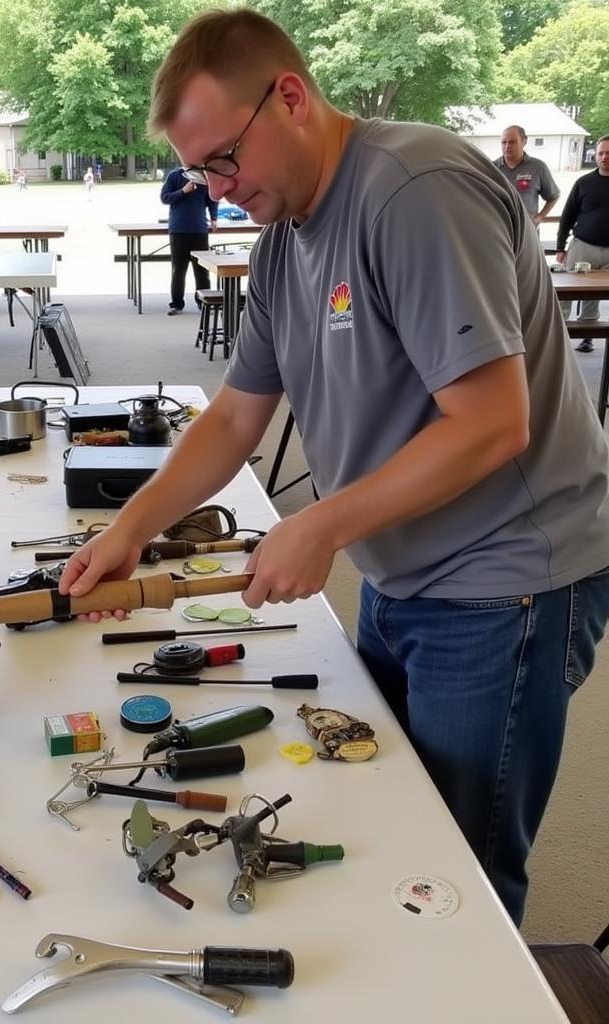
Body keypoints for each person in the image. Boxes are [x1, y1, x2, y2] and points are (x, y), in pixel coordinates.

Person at [60, 8, 609, 927]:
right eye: (199, 172)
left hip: (504, 584)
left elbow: (492, 425)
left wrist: (317, 525)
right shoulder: (283, 243)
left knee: (455, 879)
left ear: (290, 97)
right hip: (398, 573)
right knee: (384, 817)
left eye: (226, 160)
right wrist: (129, 530)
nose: (217, 188)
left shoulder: (413, 189)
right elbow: (235, 416)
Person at [555, 135, 609, 350]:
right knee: (567, 291)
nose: (605, 157)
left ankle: (588, 334)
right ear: (595, 155)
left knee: (594, 295)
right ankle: (560, 334)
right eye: (601, 153)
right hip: (583, 246)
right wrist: (560, 246)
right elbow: (568, 215)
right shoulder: (583, 183)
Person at [160, 164, 218, 315]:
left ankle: (204, 302)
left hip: (199, 230)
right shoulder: (175, 176)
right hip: (178, 230)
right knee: (179, 270)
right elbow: (165, 197)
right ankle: (177, 303)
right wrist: (183, 191)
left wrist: (214, 217)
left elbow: (213, 199)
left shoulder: (204, 176)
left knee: (202, 270)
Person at [494, 125, 559, 226]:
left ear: (524, 141)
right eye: (504, 142)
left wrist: (539, 217)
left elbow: (553, 196)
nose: (507, 146)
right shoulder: (492, 169)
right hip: (500, 231)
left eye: (512, 142)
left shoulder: (538, 167)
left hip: (527, 232)